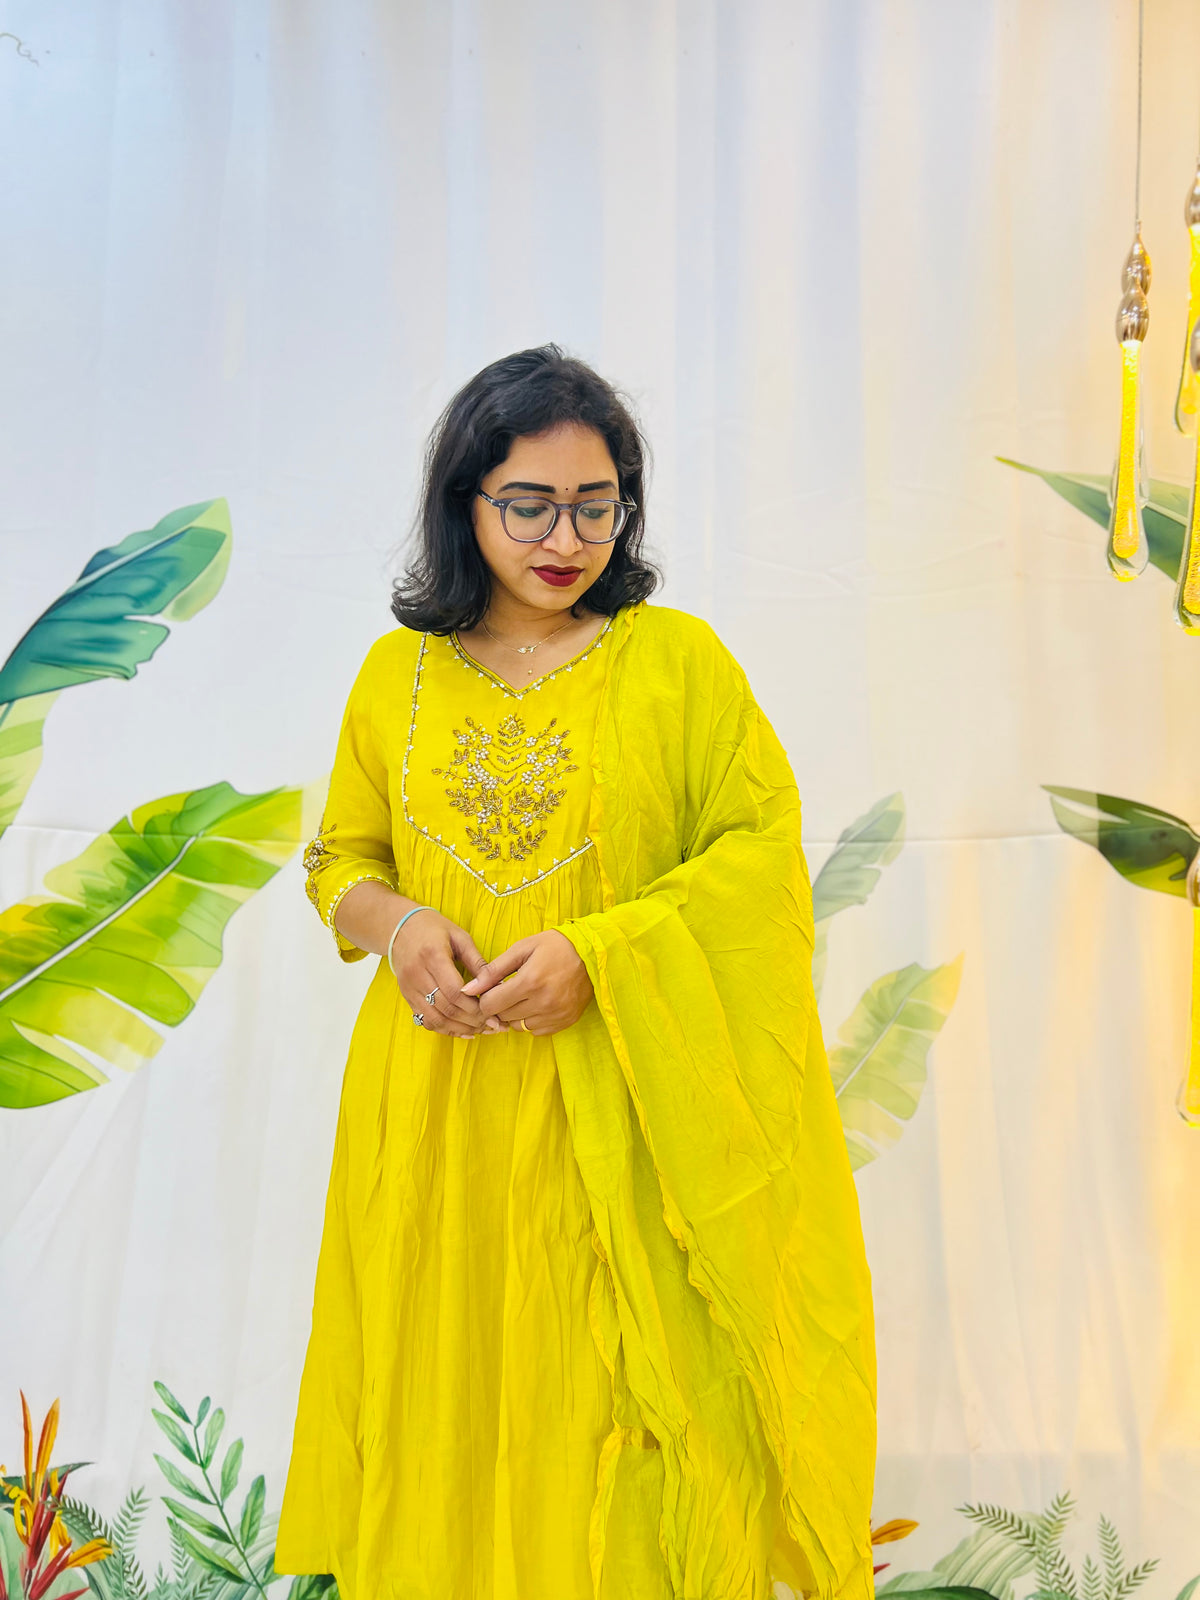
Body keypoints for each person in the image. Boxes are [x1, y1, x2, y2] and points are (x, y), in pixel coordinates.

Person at [274, 345, 877, 1600]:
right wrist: (399, 926)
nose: (567, 539)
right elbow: (339, 858)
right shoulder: (397, 675)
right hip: (439, 1114)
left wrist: (601, 956)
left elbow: (759, 860)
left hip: (627, 1113)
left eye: (597, 505)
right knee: (448, 1398)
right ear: (465, 503)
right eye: (531, 505)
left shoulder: (678, 664)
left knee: (622, 1408)